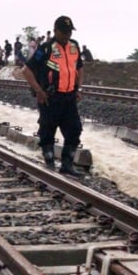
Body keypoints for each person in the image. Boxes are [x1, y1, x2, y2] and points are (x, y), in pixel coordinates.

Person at [22, 15, 85, 177]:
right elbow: (26, 71)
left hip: (69, 97)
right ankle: (49, 163)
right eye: (63, 32)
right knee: (48, 130)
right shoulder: (46, 48)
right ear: (55, 31)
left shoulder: (74, 46)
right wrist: (38, 90)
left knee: (74, 129)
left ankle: (67, 164)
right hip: (50, 97)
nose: (67, 35)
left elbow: (79, 68)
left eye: (69, 32)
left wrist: (79, 88)